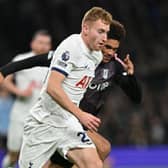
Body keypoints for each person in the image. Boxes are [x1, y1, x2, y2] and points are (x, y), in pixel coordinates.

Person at [0, 20, 142, 168]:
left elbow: (136, 98)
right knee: (102, 148)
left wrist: (131, 76)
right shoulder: (74, 55)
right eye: (107, 47)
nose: (110, 52)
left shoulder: (114, 66)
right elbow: (33, 61)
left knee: (101, 150)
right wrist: (4, 72)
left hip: (77, 126)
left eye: (114, 49)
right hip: (57, 121)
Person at [16, 7, 112, 168]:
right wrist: (81, 114)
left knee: (94, 164)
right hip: (43, 122)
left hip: (68, 123)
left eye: (106, 32)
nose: (104, 38)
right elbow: (53, 87)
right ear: (86, 29)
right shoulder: (71, 47)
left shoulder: (96, 55)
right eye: (100, 31)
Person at [1, 30, 52, 168]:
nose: (43, 46)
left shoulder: (53, 62)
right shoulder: (21, 59)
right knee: (13, 155)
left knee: (39, 158)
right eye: (40, 42)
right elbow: (4, 79)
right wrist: (19, 92)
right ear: (32, 43)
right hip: (20, 115)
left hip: (42, 119)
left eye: (46, 43)